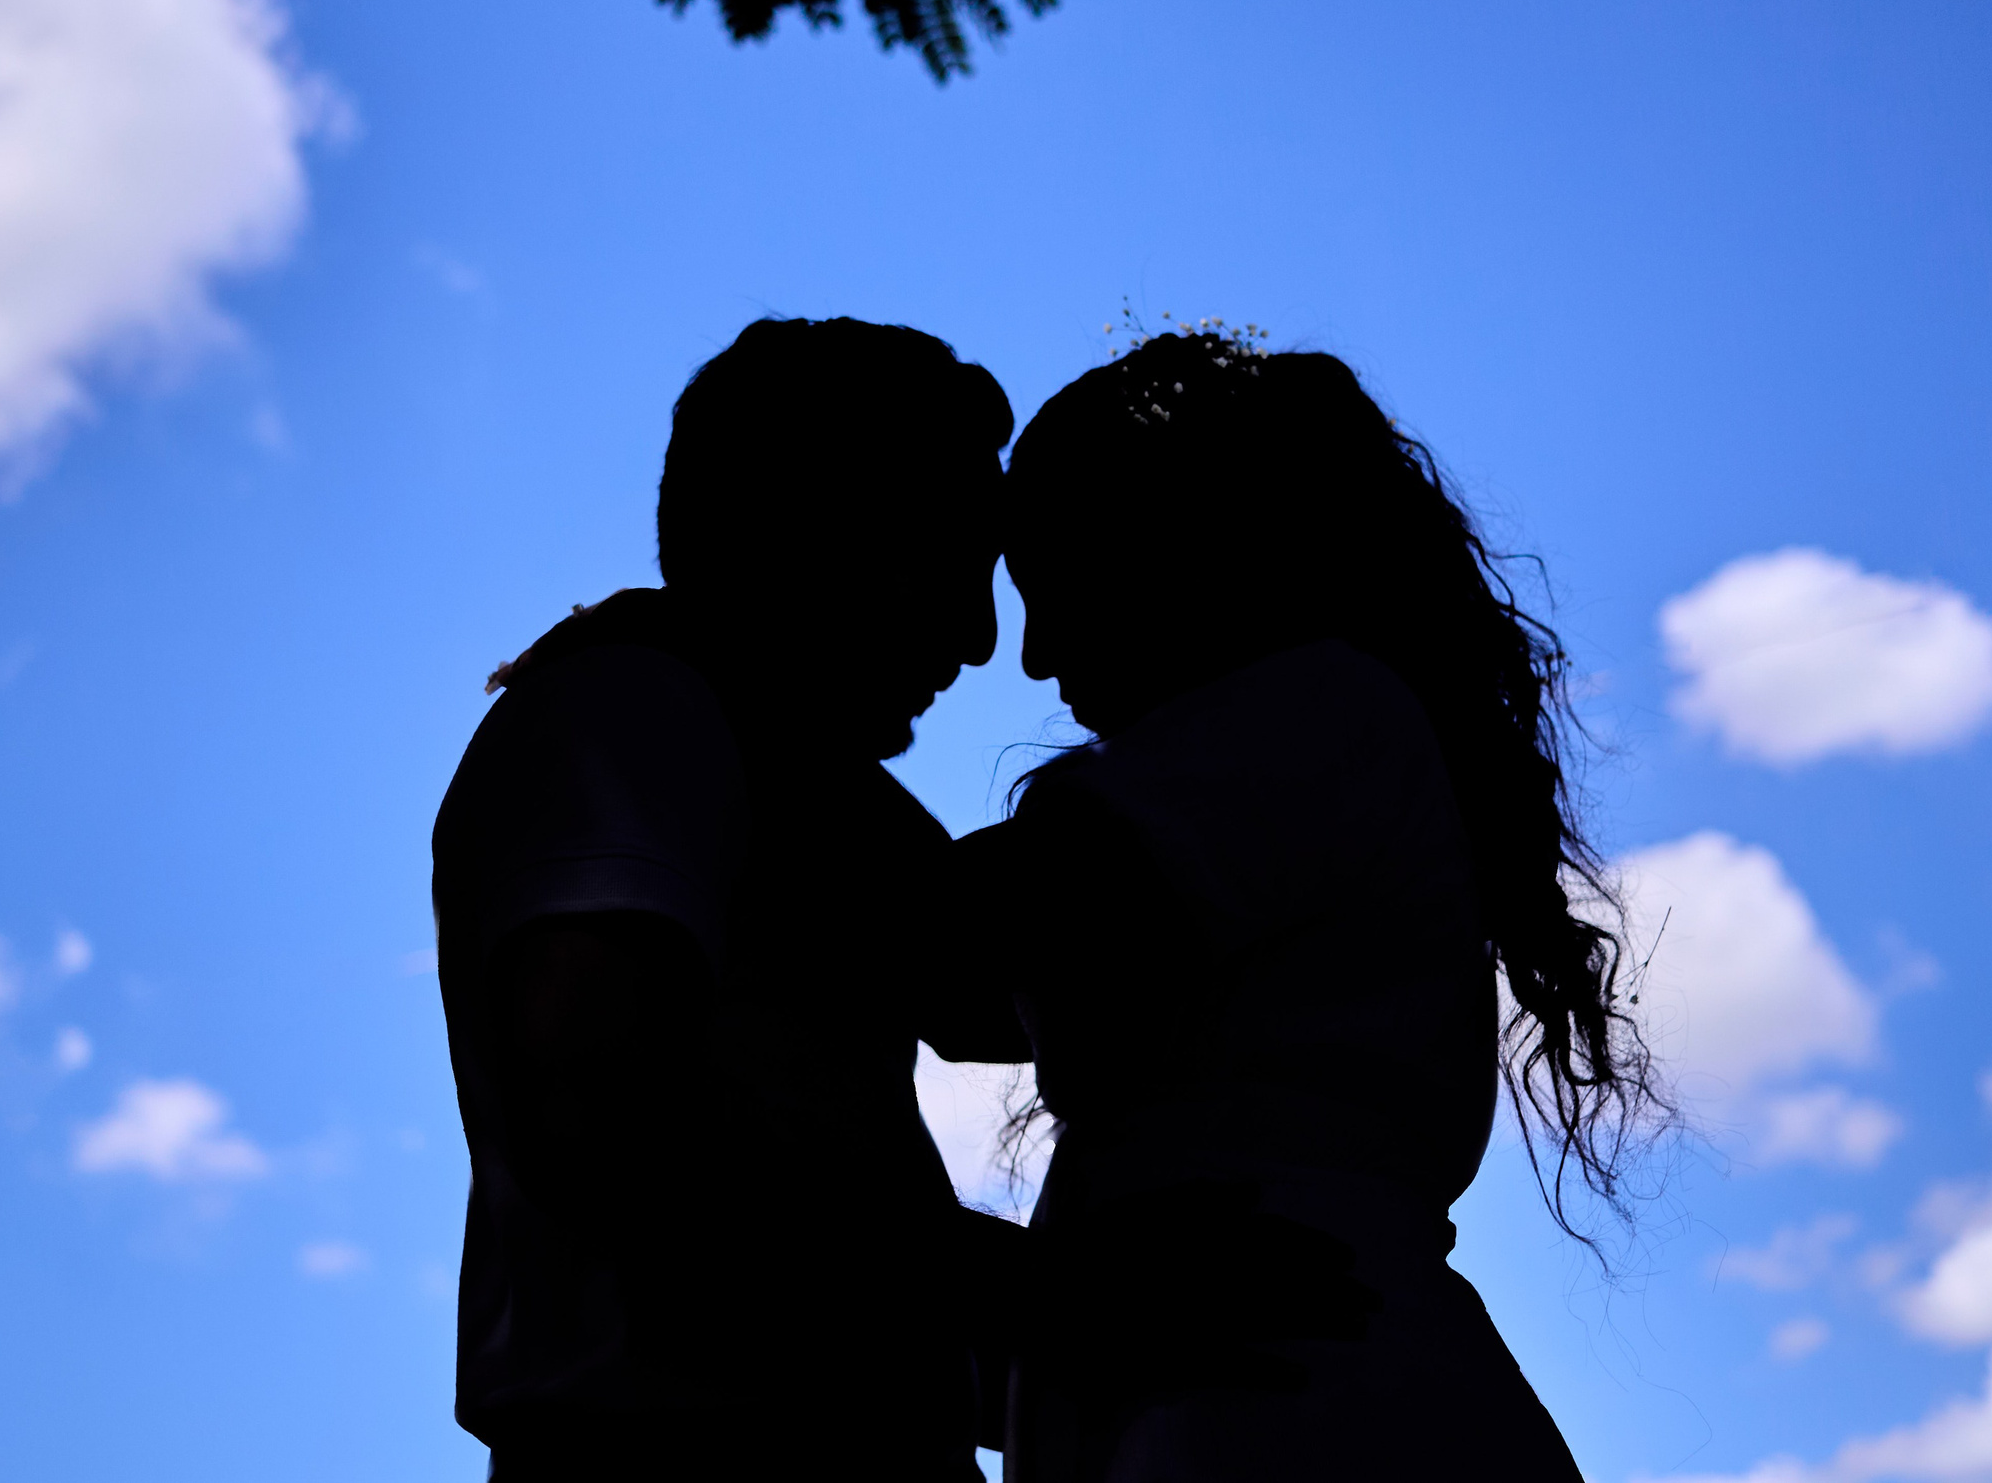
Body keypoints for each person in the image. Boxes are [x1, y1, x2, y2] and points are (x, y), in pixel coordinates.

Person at [966, 329, 1660, 1481]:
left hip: (1309, 1409)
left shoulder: (1325, 717)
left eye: (1056, 583)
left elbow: (964, 941)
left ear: (1173, 552)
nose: (1033, 657)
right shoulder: (1310, 758)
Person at [431, 317, 1027, 1482]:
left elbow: (994, 978)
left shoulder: (779, 772)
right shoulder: (634, 714)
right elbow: (600, 1120)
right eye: (944, 560)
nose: (979, 637)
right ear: (810, 532)